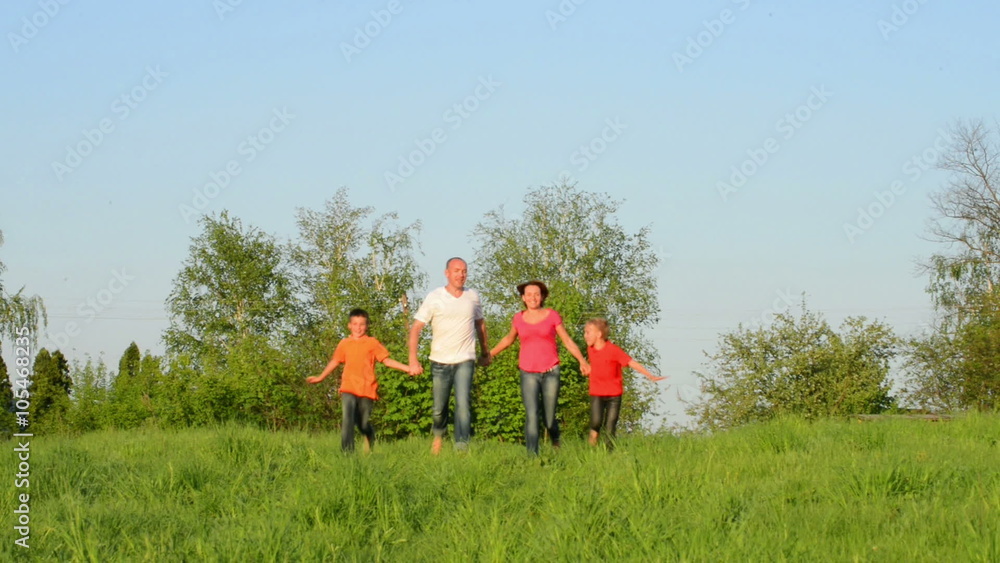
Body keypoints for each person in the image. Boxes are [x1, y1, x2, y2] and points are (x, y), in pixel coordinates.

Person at [490, 280, 590, 455]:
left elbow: (567, 340)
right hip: (528, 372)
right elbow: (508, 339)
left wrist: (582, 361)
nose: (533, 298)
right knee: (532, 415)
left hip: (551, 371)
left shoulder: (552, 316)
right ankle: (532, 456)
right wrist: (489, 354)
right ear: (523, 298)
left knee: (549, 418)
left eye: (536, 294)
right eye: (529, 294)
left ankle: (555, 439)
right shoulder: (518, 318)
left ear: (542, 296)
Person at [408, 257, 490, 454]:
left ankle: (461, 446)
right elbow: (416, 328)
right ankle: (438, 435)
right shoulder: (435, 297)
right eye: (456, 271)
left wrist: (485, 352)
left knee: (463, 404)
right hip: (440, 360)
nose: (461, 275)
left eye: (464, 271)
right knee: (439, 407)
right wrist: (413, 359)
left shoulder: (472, 296)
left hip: (465, 359)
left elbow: (480, 324)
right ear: (447, 273)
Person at [307, 308, 412, 453]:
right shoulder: (344, 343)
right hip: (348, 387)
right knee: (347, 420)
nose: (358, 328)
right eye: (355, 324)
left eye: (362, 324)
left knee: (362, 423)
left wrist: (408, 368)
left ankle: (369, 434)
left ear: (367, 325)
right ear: (349, 325)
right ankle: (347, 454)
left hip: (367, 389)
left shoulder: (372, 343)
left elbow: (386, 360)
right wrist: (320, 377)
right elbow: (335, 361)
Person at [583, 318, 665, 447]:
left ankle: (609, 453)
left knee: (610, 426)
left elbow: (631, 362)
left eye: (588, 332)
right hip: (597, 393)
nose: (585, 335)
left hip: (614, 395)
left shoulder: (613, 350)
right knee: (596, 423)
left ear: (599, 334)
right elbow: (592, 364)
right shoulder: (590, 349)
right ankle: (591, 450)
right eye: (585, 332)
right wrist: (585, 367)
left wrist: (650, 375)